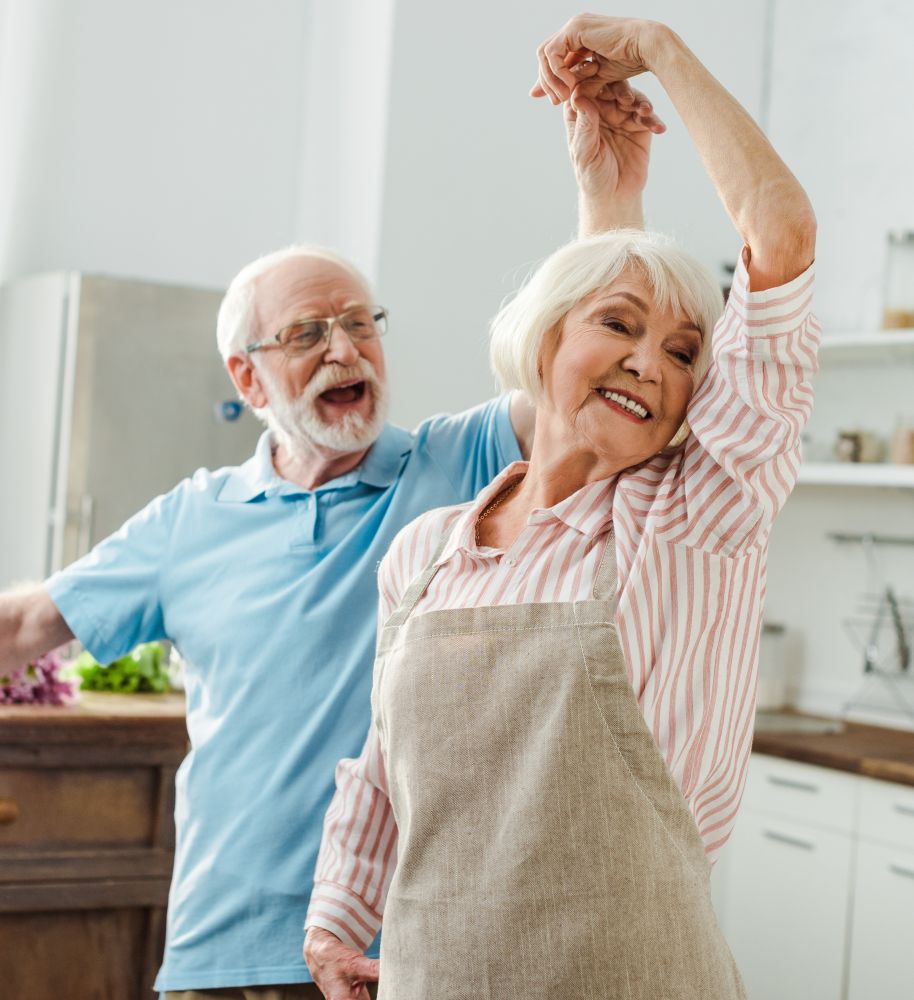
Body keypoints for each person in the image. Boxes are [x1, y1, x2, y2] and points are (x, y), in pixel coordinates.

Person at [0, 56, 664, 1000]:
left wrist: (612, 192)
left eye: (362, 323)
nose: (345, 350)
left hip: (405, 952)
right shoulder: (194, 518)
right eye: (310, 333)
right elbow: (29, 626)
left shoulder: (459, 463)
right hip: (217, 951)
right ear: (248, 378)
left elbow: (585, 376)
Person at [304, 14, 818, 1000]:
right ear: (540, 343)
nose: (647, 361)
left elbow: (779, 236)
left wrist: (660, 52)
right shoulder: (423, 554)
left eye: (682, 354)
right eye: (617, 328)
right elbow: (381, 772)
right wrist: (334, 919)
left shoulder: (690, 518)